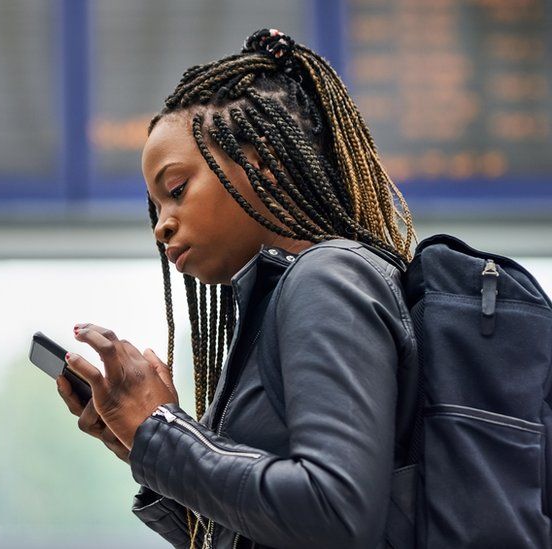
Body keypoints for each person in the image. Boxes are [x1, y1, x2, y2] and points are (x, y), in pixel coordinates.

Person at [56, 29, 419, 549]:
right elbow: (264, 533)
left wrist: (160, 432)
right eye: (156, 209)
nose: (162, 225)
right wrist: (141, 443)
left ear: (262, 162)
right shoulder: (282, 304)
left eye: (176, 190)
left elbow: (334, 514)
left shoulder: (327, 279)